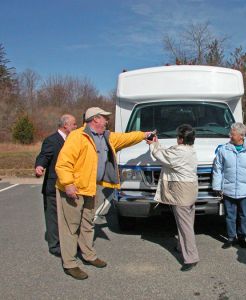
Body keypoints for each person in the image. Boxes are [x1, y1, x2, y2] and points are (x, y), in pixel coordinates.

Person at [55, 107, 150, 280]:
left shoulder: (106, 137)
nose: (107, 120)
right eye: (105, 118)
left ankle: (89, 255)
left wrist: (144, 135)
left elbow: (126, 138)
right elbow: (63, 163)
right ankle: (69, 263)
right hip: (73, 190)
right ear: (95, 119)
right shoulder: (77, 136)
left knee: (87, 224)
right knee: (70, 227)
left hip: (90, 188)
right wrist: (68, 184)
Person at [147, 124, 199, 272]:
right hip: (190, 189)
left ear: (181, 139)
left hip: (181, 191)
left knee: (185, 225)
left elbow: (161, 156)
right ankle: (181, 247)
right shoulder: (190, 151)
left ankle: (191, 258)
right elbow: (168, 153)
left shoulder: (179, 153)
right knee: (186, 221)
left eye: (178, 137)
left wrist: (153, 145)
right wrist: (156, 143)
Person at [212, 122, 246, 249]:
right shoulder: (224, 150)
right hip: (228, 190)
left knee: (244, 215)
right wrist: (217, 187)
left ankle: (242, 237)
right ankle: (230, 237)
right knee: (230, 215)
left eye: (232, 134)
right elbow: (218, 169)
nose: (230, 135)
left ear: (241, 136)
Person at [35, 114, 77, 257]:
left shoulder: (73, 140)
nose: (76, 127)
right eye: (74, 124)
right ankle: (55, 246)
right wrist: (40, 166)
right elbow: (44, 156)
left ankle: (68, 243)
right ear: (65, 125)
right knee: (53, 217)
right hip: (53, 186)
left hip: (69, 185)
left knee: (68, 217)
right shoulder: (51, 140)